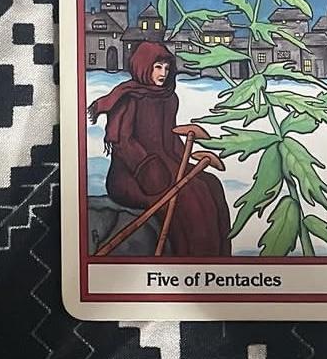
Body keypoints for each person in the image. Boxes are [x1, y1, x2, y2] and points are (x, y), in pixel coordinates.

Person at [87, 40, 231, 257]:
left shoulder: (168, 98)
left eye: (166, 67)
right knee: (190, 195)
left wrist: (185, 164)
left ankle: (217, 257)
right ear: (144, 66)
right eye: (157, 67)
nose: (163, 73)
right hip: (132, 174)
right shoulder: (129, 98)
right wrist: (147, 167)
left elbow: (170, 138)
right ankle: (191, 256)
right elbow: (123, 142)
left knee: (210, 184)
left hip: (164, 163)